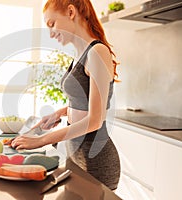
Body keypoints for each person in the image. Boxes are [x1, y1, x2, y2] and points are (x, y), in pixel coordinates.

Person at [12, 0, 120, 190]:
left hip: (95, 163)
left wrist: (41, 140)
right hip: (76, 157)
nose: (51, 33)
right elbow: (83, 102)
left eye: (51, 24)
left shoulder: (97, 52)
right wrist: (59, 113)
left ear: (71, 12)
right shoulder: (81, 54)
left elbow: (95, 120)